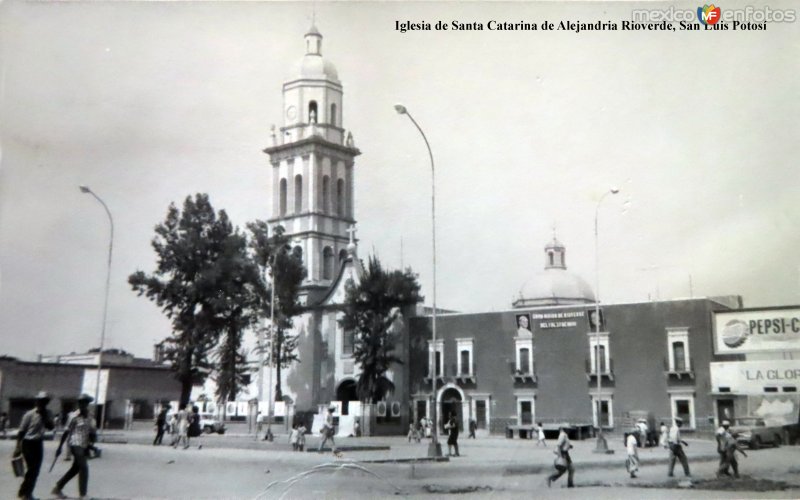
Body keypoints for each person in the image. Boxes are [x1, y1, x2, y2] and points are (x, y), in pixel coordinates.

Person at [52, 393, 96, 500]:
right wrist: (59, 447)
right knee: (84, 468)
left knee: (75, 469)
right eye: (80, 402)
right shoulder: (73, 416)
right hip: (75, 444)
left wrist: (91, 445)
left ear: (88, 404)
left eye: (85, 403)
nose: (82, 405)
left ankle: (58, 487)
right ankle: (83, 494)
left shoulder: (90, 416)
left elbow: (91, 431)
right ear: (78, 404)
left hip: (84, 445)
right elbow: (66, 432)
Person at [15, 391, 55, 500]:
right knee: (32, 469)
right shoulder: (29, 414)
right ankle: (27, 494)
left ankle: (24, 492)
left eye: (45, 402)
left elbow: (50, 427)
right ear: (37, 402)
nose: (42, 403)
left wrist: (45, 416)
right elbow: (21, 432)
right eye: (40, 401)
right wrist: (17, 448)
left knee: (35, 470)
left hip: (38, 443)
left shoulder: (48, 413)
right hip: (28, 443)